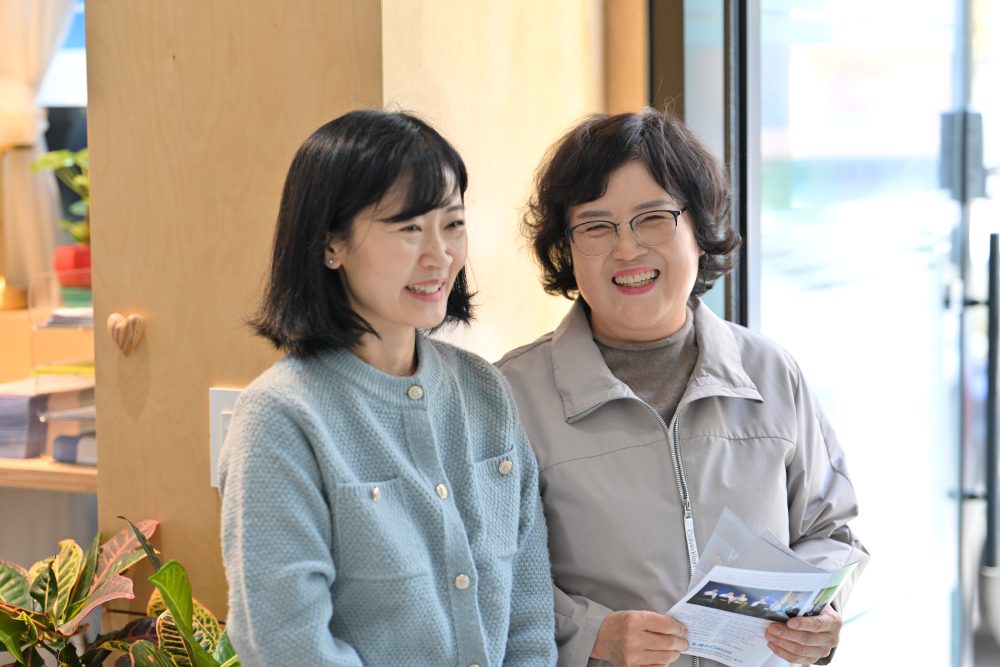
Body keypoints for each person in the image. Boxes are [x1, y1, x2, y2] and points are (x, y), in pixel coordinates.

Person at [496, 108, 868, 667]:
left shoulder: (771, 371)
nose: (627, 249)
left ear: (700, 230)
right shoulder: (509, 395)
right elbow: (486, 573)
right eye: (596, 226)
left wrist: (821, 612)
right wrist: (591, 634)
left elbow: (830, 528)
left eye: (653, 219)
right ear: (567, 248)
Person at [219, 110, 557, 666]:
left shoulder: (485, 390)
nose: (439, 255)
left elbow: (529, 614)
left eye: (453, 224)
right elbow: (288, 645)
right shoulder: (280, 417)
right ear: (331, 244)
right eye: (408, 228)